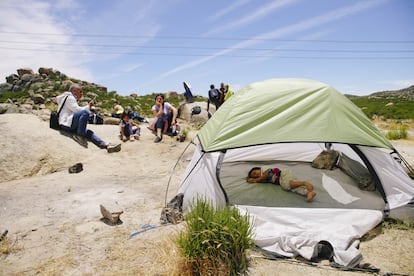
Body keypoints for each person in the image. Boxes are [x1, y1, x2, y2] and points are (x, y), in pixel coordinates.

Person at [57, 83, 121, 153]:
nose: (82, 94)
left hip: (69, 123)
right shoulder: (70, 98)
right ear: (74, 91)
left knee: (88, 132)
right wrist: (88, 106)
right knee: (85, 113)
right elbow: (77, 110)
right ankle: (80, 135)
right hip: (66, 124)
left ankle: (104, 145)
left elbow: (76, 111)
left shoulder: (68, 98)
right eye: (80, 91)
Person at [247, 167, 317, 202]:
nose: (256, 175)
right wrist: (250, 180)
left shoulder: (264, 169)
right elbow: (262, 180)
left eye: (255, 172)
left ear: (259, 168)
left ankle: (304, 183)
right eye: (255, 176)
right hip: (282, 180)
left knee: (286, 186)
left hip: (283, 174)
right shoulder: (262, 179)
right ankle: (308, 193)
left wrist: (255, 180)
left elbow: (266, 175)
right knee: (293, 189)